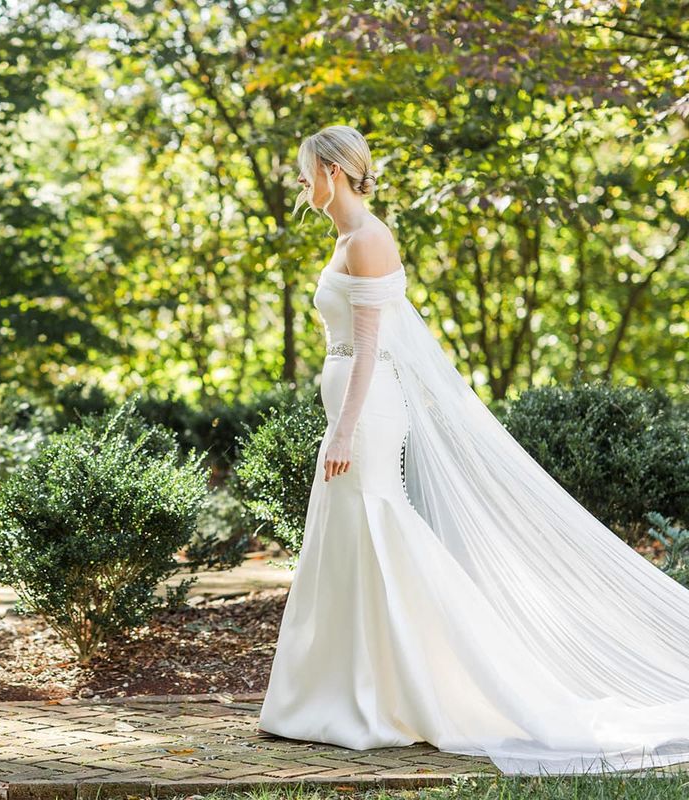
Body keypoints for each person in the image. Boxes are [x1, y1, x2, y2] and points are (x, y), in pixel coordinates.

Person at [258, 124, 689, 775]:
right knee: (348, 536)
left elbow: (371, 347)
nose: (298, 183)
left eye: (304, 171)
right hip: (350, 410)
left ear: (333, 173)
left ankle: (404, 691)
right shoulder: (347, 240)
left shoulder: (369, 239)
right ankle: (343, 691)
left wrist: (344, 429)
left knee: (379, 528)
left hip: (365, 415)